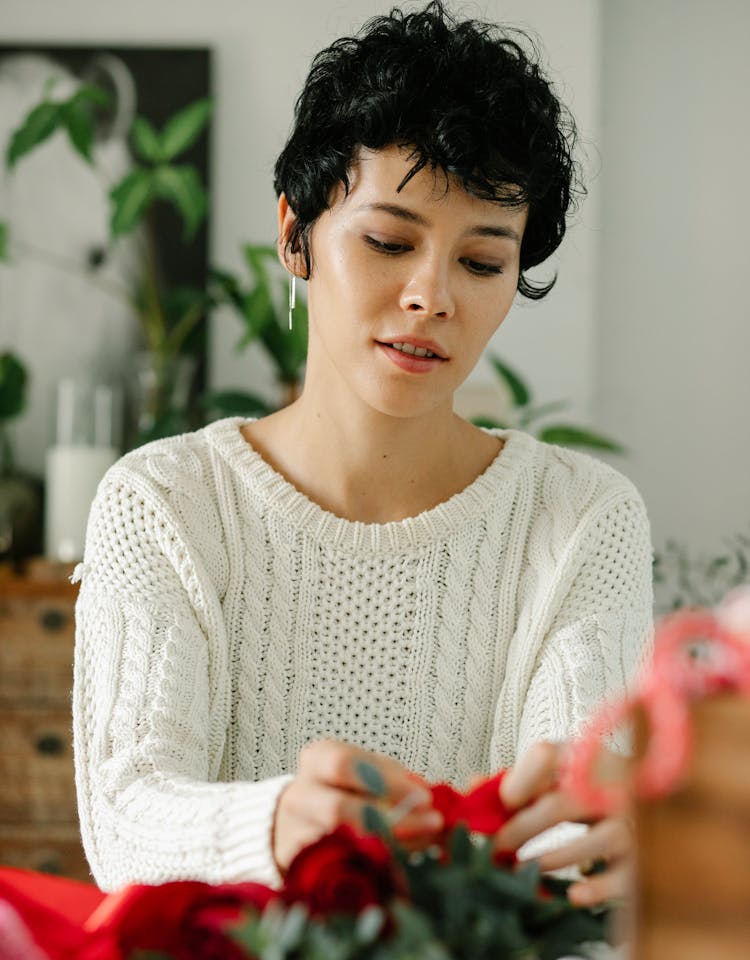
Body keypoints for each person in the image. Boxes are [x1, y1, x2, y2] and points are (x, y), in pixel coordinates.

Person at [73, 1, 652, 903]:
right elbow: (125, 820)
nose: (431, 296)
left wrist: (615, 831)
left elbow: (583, 815)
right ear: (295, 234)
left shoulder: (581, 519)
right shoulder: (164, 503)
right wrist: (278, 826)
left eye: (482, 261)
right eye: (388, 241)